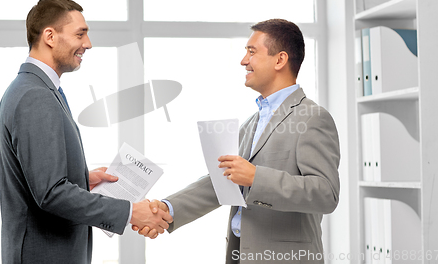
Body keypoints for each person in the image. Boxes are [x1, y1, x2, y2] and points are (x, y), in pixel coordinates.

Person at [134, 19, 340, 264]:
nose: (244, 61)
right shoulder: (252, 122)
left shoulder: (313, 117)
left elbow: (326, 194)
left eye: (251, 52)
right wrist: (168, 208)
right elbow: (224, 182)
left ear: (280, 60)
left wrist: (256, 177)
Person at [0, 0, 172, 264]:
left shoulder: (30, 89)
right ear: (50, 36)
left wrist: (78, 179)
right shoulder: (35, 96)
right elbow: (50, 193)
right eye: (80, 34)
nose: (87, 44)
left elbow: (9, 174)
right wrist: (129, 212)